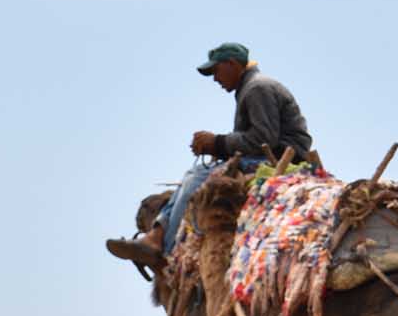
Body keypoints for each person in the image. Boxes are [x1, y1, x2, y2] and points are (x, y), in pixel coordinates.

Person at [105, 43, 315, 270]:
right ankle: (157, 234)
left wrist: (217, 143)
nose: (215, 79)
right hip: (266, 154)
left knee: (196, 178)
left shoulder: (256, 89)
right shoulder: (251, 87)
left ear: (232, 64)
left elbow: (263, 140)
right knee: (192, 174)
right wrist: (218, 146)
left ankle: (163, 248)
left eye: (216, 71)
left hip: (279, 158)